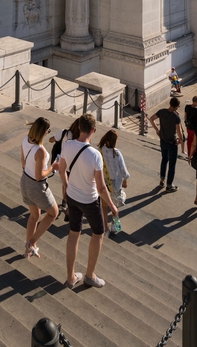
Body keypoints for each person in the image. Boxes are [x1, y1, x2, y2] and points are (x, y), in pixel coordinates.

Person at [60, 113, 118, 289]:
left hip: (72, 196)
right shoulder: (94, 155)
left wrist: (67, 187)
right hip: (89, 201)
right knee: (98, 234)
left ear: (79, 127)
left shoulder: (68, 145)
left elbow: (62, 170)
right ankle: (90, 275)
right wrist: (113, 206)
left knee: (73, 234)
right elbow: (101, 188)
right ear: (93, 130)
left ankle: (71, 278)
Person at [20, 117, 59, 259]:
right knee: (53, 213)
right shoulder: (41, 151)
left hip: (24, 181)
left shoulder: (25, 140)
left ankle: (28, 250)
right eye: (48, 131)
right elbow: (39, 176)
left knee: (34, 215)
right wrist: (53, 168)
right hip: (36, 186)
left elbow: (23, 163)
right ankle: (31, 243)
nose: (48, 133)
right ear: (43, 132)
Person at [98, 130, 130, 236]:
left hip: (104, 182)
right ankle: (114, 226)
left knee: (104, 206)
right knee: (115, 206)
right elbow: (123, 170)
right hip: (115, 184)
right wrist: (125, 179)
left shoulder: (100, 151)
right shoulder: (116, 153)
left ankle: (105, 228)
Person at [150, 97, 185, 191]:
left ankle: (162, 180)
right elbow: (179, 131)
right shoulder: (176, 117)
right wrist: (181, 140)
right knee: (172, 164)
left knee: (164, 159)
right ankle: (169, 185)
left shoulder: (162, 112)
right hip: (172, 143)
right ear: (176, 107)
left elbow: (151, 119)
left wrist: (157, 130)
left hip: (163, 140)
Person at [184, 96, 197, 161]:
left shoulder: (187, 107)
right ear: (196, 102)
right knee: (195, 143)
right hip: (195, 129)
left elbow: (185, 117)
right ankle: (194, 155)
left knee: (189, 141)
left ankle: (189, 154)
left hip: (188, 127)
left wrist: (187, 124)